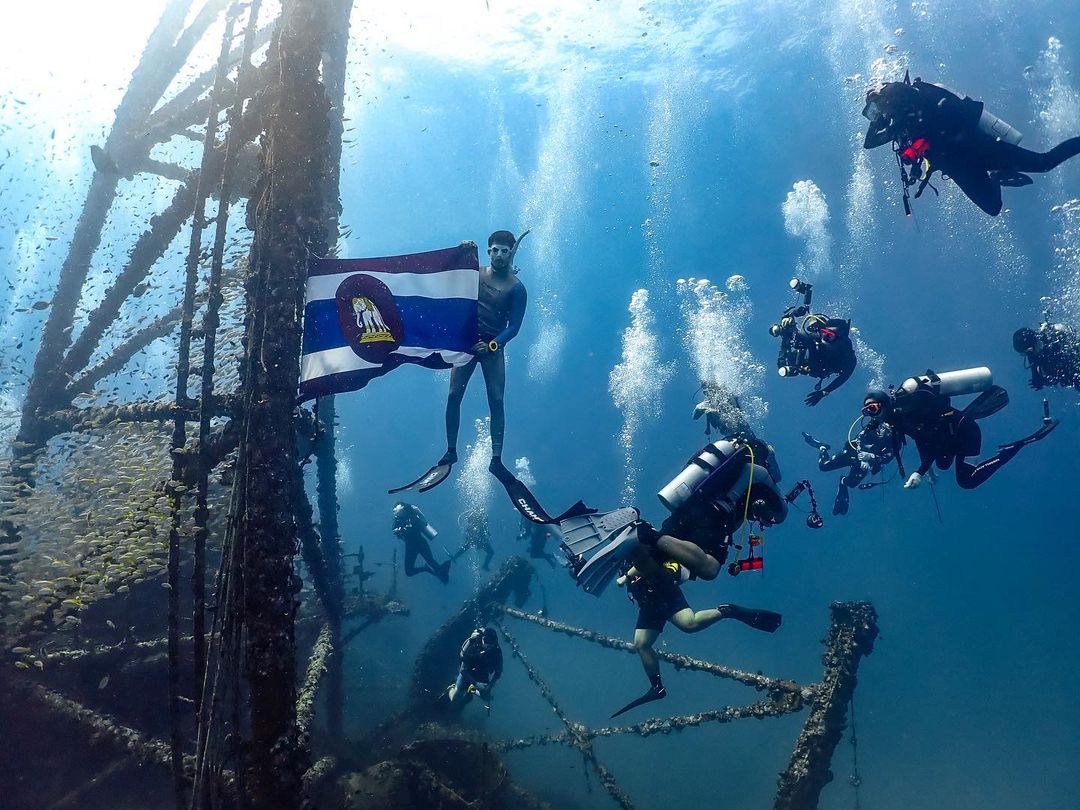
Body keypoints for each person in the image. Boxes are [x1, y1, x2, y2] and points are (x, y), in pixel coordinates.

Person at [560, 436, 790, 594]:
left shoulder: (728, 465)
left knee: (657, 570)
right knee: (710, 568)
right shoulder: (759, 472)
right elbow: (781, 513)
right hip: (712, 518)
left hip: (686, 509)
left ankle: (618, 549)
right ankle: (643, 532)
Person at [862, 73, 1080, 216]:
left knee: (1044, 163)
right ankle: (997, 175)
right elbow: (870, 143)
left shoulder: (902, 98)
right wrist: (876, 120)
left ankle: (998, 173)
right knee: (993, 207)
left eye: (877, 108)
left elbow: (902, 94)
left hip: (977, 147)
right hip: (958, 166)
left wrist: (879, 95)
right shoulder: (899, 127)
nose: (880, 113)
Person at [608, 560, 781, 717]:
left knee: (689, 625)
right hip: (648, 604)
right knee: (641, 644)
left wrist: (630, 575)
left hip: (665, 593)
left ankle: (728, 611)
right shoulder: (619, 556)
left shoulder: (639, 546)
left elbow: (660, 560)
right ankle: (657, 687)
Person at [861, 369, 1058, 491]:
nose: (872, 415)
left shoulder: (908, 413)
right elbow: (922, 439)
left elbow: (932, 440)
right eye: (867, 411)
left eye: (874, 408)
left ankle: (1011, 450)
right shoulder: (900, 419)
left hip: (967, 432)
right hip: (948, 437)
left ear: (885, 404)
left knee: (966, 481)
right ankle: (944, 459)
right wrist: (927, 468)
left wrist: (920, 472)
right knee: (943, 465)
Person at [439, 230, 530, 484]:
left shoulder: (517, 289)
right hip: (467, 344)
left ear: (511, 253)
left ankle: (496, 459)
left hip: (491, 349)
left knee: (497, 400)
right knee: (454, 395)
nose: (499, 255)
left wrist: (492, 345)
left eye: (504, 250)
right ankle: (451, 451)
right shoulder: (475, 273)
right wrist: (461, 251)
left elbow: (514, 327)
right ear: (489, 251)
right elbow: (450, 277)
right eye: (495, 250)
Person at [769, 279, 857, 406]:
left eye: (829, 336)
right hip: (809, 360)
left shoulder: (848, 355)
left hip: (819, 368)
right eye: (823, 333)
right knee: (791, 336)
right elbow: (798, 335)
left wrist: (824, 392)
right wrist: (788, 321)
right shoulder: (815, 339)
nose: (824, 338)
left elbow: (844, 376)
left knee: (803, 342)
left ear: (838, 338)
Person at [803, 419, 896, 515]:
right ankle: (822, 447)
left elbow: (888, 457)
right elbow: (859, 439)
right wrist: (863, 456)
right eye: (883, 428)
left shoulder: (893, 441)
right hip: (851, 453)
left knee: (852, 483)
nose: (884, 432)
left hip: (864, 463)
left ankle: (843, 482)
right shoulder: (872, 426)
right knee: (824, 466)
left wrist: (871, 457)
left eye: (888, 431)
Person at [392, 502, 451, 583]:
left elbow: (422, 524)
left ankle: (443, 576)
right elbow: (396, 531)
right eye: (397, 511)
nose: (399, 513)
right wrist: (399, 530)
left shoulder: (414, 517)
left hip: (419, 543)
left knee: (430, 562)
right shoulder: (398, 520)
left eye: (400, 510)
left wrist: (406, 528)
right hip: (411, 545)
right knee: (409, 571)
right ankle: (428, 569)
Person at [445, 626, 503, 706]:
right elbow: (463, 670)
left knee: (486, 697)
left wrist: (490, 686)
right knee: (455, 696)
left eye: (491, 641)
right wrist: (476, 684)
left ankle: (471, 691)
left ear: (495, 641)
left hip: (482, 673)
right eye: (486, 641)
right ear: (482, 639)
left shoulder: (497, 652)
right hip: (467, 673)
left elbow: (498, 671)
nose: (488, 645)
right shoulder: (474, 646)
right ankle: (453, 687)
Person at [1013, 323, 1080, 390]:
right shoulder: (1033, 353)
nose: (1029, 355)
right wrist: (1037, 377)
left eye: (1027, 353)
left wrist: (1042, 381)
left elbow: (1058, 376)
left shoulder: (1054, 346)